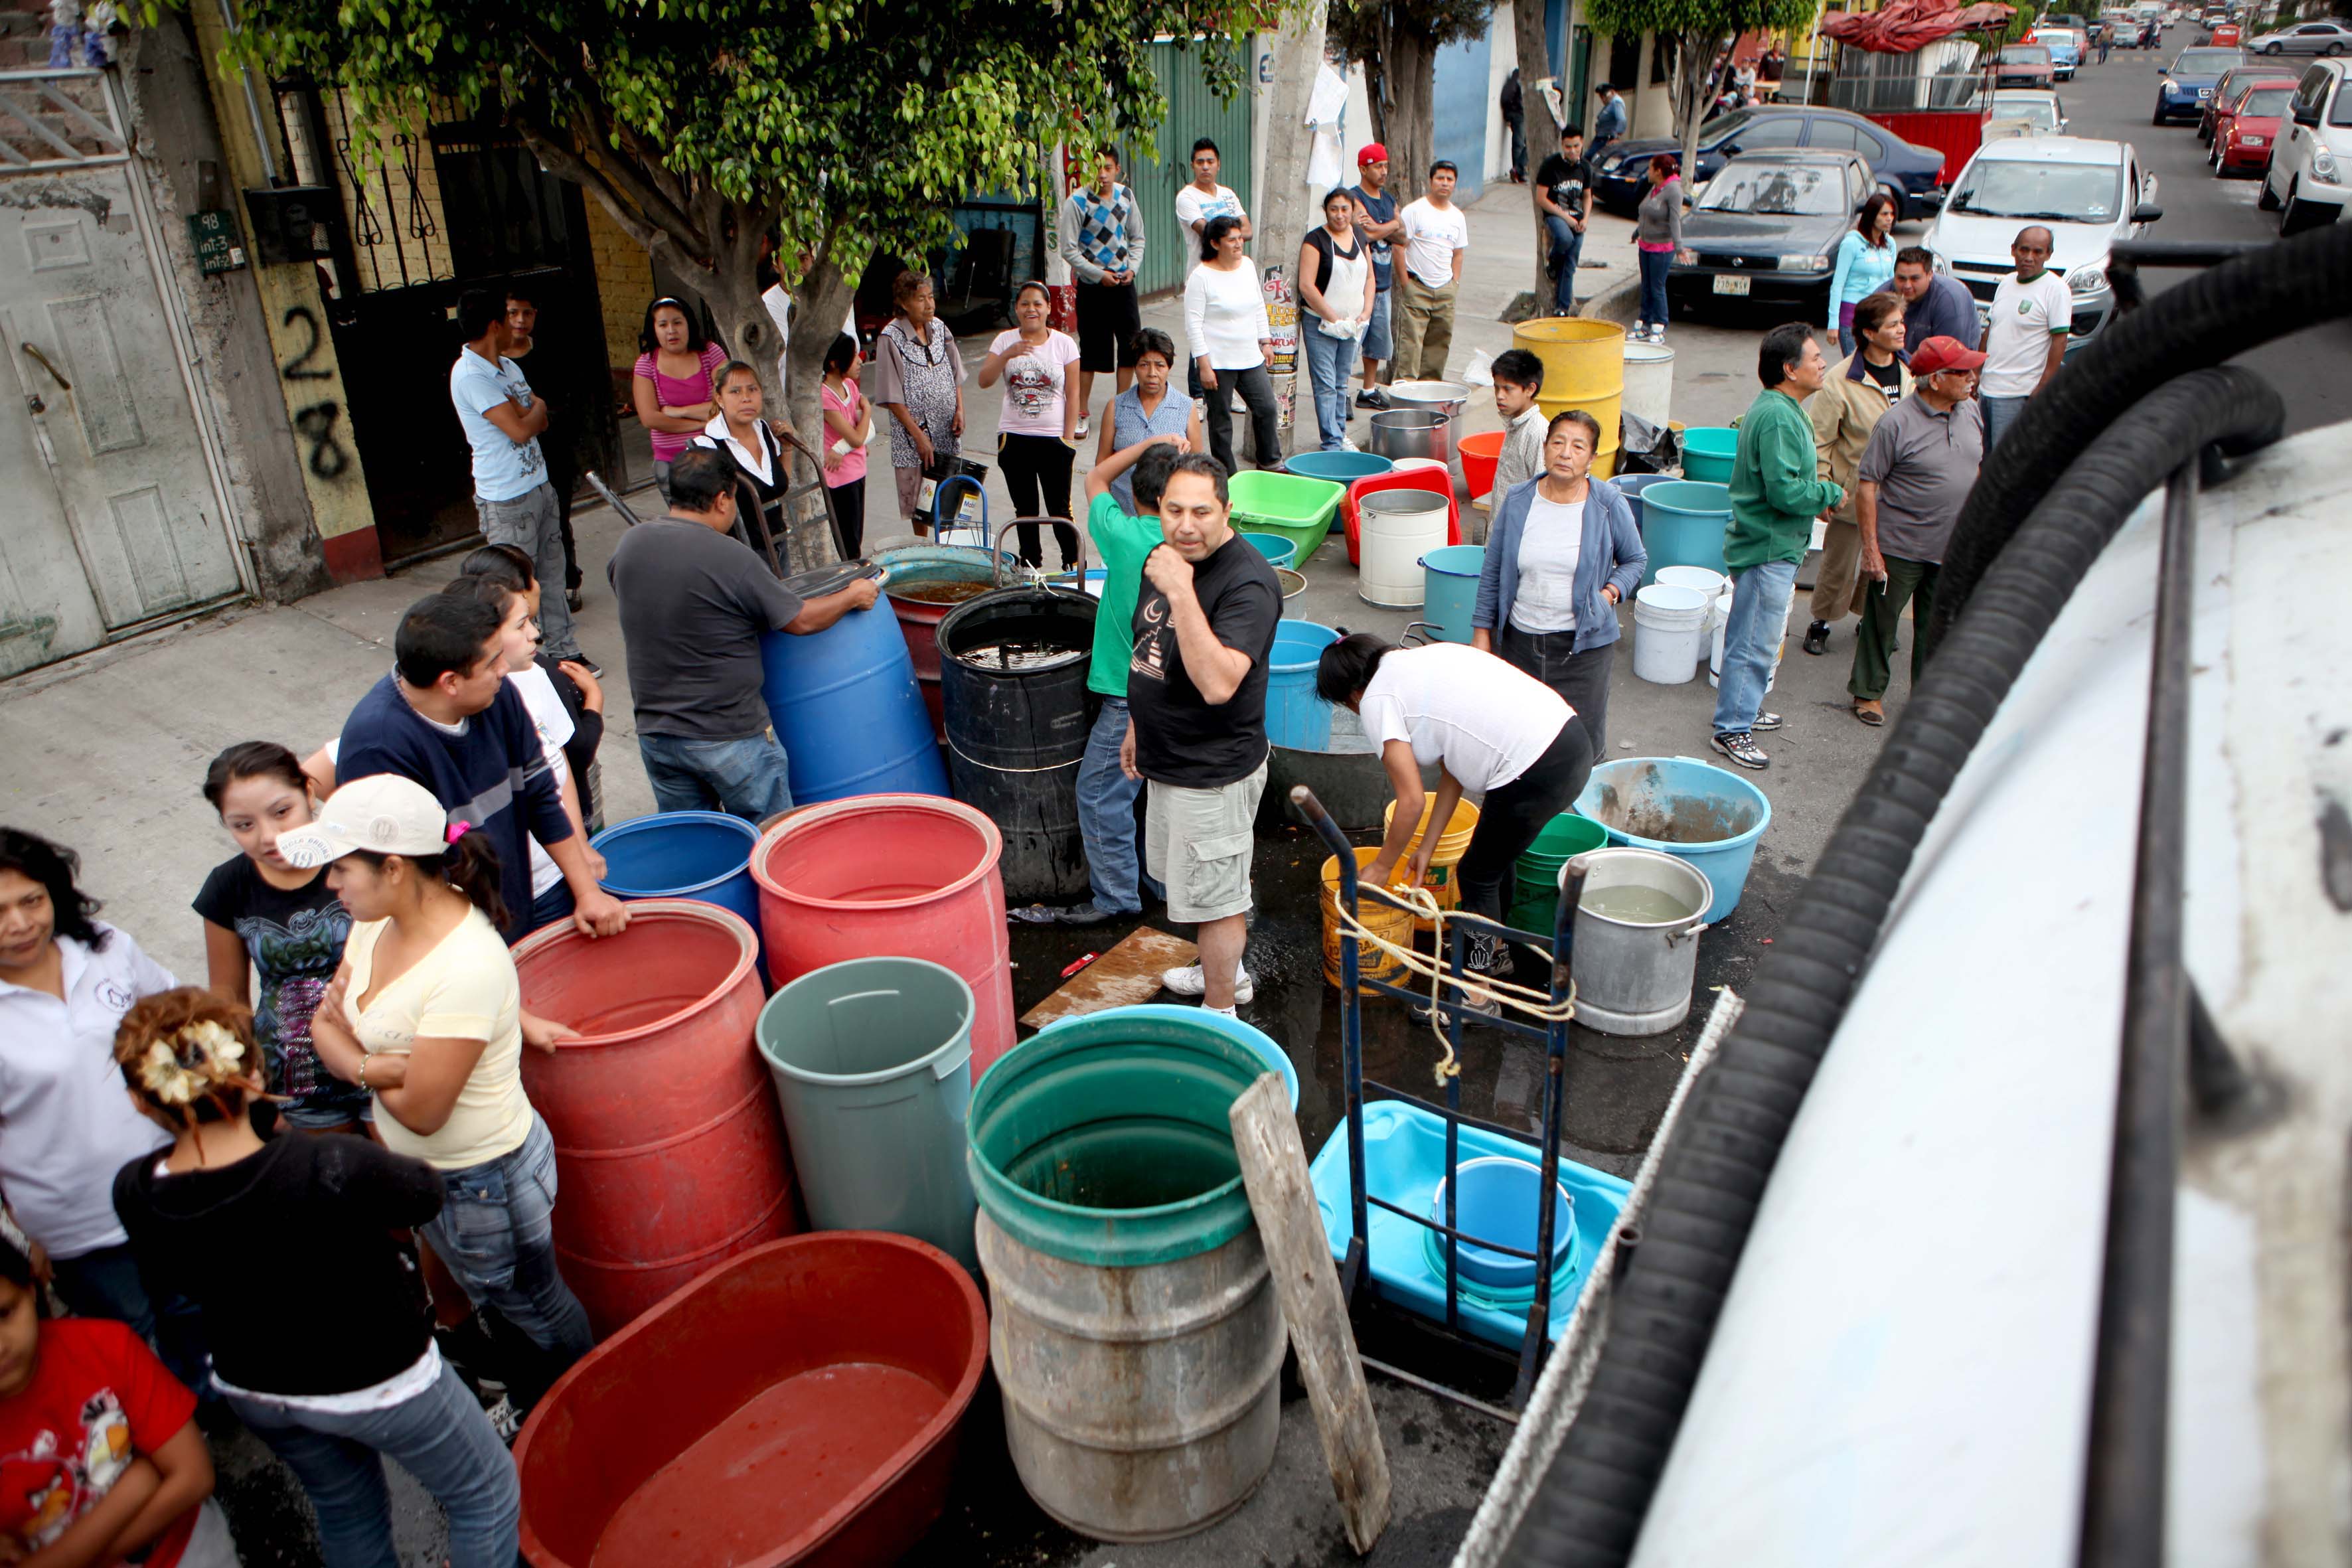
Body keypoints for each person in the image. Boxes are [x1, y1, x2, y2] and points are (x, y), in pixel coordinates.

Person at [108, 989, 520, 1568]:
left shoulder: (135, 1189)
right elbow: (423, 1193)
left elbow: (178, 1275)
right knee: (485, 1494)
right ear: (255, 1071)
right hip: (380, 1379)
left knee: (347, 1509)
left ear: (139, 1099)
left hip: (256, 1383)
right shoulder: (329, 1164)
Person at [286, 774, 593, 1414]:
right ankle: (541, 1401)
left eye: (341, 868)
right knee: (497, 1300)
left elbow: (424, 1111)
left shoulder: (465, 964)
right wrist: (389, 1066)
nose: (330, 883)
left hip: (483, 1181)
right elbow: (321, 1023)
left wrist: (358, 1065)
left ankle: (579, 1408)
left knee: (533, 1307)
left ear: (394, 867)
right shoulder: (376, 920)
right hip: (431, 1174)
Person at [0, 830, 193, 1369]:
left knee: (198, 1323)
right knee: (131, 1349)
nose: (19, 924)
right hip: (75, 1224)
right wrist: (30, 1237)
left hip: (172, 1189)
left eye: (31, 901)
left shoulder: (106, 948)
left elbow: (183, 1020)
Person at [335, 590, 625, 945]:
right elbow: (394, 876)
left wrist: (587, 892)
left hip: (522, 899)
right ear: (450, 682)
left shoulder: (499, 695)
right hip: (451, 937)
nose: (504, 669)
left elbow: (540, 798)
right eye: (491, 663)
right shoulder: (377, 747)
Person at [607, 447, 882, 819]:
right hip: (727, 735)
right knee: (770, 836)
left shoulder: (630, 545)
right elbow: (800, 620)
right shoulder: (731, 557)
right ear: (722, 500)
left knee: (692, 839)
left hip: (658, 735)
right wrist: (852, 596)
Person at [1318, 636, 1595, 988]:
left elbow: (1412, 800)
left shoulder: (1376, 699)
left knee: (1477, 876)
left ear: (1351, 697)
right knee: (1493, 862)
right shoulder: (1421, 660)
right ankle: (1494, 952)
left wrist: (1384, 865)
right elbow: (1455, 767)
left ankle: (1476, 993)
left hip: (1534, 766)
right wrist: (1426, 847)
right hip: (1569, 742)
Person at [1121, 454, 1282, 1016]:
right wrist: (1137, 722)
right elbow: (1152, 644)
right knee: (1192, 887)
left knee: (1217, 902)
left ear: (1226, 510)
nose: (1185, 526)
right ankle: (1225, 974)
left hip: (1212, 772)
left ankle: (1221, 1014)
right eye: (1173, 511)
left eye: (1200, 512)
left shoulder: (1248, 584)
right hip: (1168, 757)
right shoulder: (1167, 558)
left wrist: (1182, 590)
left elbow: (1217, 685)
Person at [1022, 441, 1184, 926]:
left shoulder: (1124, 535)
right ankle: (1161, 884)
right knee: (1157, 791)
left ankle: (1115, 898)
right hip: (1178, 693)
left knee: (1099, 795)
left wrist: (1142, 446)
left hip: (1127, 696)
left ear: (1135, 494)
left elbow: (1094, 477)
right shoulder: (1192, 543)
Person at [0, 1237, 235, 1568]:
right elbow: (164, 1475)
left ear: (31, 1289)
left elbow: (193, 1476)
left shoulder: (104, 1347)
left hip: (187, 1550)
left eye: (5, 1314)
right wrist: (139, 1484)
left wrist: (61, 1559)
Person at [195, 742, 368, 1135]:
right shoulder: (227, 887)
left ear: (308, 792)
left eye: (281, 812)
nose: (268, 836)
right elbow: (229, 1001)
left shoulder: (361, 855)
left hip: (381, 1056)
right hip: (297, 1082)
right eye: (244, 825)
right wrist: (253, 1096)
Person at [1472, 410, 1647, 752]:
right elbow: (1493, 568)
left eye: (1578, 447)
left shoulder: (1607, 503)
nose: (1566, 453)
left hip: (1583, 652)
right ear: (1545, 448)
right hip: (1520, 644)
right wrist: (1481, 633)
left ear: (1591, 459)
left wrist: (1608, 595)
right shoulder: (1519, 499)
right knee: (1521, 742)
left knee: (1581, 748)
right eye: (1558, 443)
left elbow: (1635, 560)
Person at [1715, 323, 1845, 770]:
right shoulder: (1776, 416)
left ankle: (1744, 708)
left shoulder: (1784, 408)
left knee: (1758, 637)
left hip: (1774, 545)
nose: (1823, 364)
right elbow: (1784, 492)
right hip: (1766, 547)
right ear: (1790, 370)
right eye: (1814, 358)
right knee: (1754, 641)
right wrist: (1828, 494)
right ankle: (1731, 728)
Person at [1847, 335, 1987, 726]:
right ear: (1935, 380)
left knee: (1939, 625)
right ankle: (1868, 692)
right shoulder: (1896, 423)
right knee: (1882, 622)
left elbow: (1975, 468)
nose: (1972, 378)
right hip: (1901, 547)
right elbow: (1867, 486)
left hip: (1953, 545)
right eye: (1962, 372)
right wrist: (1871, 550)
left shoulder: (1971, 411)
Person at [446, 289, 582, 665]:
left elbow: (539, 416)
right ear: (496, 325)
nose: (516, 325)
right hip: (507, 500)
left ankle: (565, 652)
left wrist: (532, 412)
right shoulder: (471, 375)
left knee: (552, 576)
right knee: (514, 588)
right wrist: (532, 412)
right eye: (509, 317)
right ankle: (524, 662)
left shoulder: (508, 367)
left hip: (540, 486)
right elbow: (522, 429)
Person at [456, 543, 605, 834]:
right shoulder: (536, 672)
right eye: (532, 578)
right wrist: (594, 700)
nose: (535, 634)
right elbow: (576, 753)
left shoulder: (528, 670)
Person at [1802, 292, 1913, 659]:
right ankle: (1821, 622)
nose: (1902, 330)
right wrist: (1824, 488)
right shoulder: (1840, 380)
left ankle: (1870, 619)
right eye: (1893, 325)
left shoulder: (1910, 372)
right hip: (1851, 494)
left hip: (1896, 496)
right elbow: (1820, 441)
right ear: (1869, 333)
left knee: (1882, 562)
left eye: (1901, 322)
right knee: (1840, 563)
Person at [980, 280, 1084, 570]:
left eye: (1038, 304)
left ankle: (1073, 565)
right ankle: (1030, 567)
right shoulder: (1004, 340)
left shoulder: (1064, 344)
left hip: (1054, 439)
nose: (1031, 309)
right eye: (1025, 304)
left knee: (1059, 508)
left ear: (1049, 308)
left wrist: (1067, 439)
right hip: (1014, 439)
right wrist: (1007, 355)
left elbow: (1073, 392)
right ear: (1016, 309)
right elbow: (984, 380)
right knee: (1025, 509)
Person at [504, 285, 583, 615]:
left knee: (558, 520)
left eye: (527, 313)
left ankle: (569, 581)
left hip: (553, 451)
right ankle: (529, 590)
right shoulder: (494, 364)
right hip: (515, 458)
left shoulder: (548, 354)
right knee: (522, 527)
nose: (520, 320)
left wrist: (537, 417)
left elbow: (562, 404)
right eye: (513, 313)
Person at [869, 270, 967, 534]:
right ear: (904, 303)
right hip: (914, 436)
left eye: (931, 297)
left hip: (946, 429)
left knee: (948, 494)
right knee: (921, 501)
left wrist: (960, 409)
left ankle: (945, 544)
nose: (929, 304)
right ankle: (924, 545)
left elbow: (955, 373)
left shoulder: (940, 328)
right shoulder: (891, 337)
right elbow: (892, 397)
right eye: (921, 299)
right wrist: (919, 437)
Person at [1058, 149, 1147, 431]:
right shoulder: (1077, 202)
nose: (1102, 174)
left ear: (1118, 169)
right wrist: (1098, 275)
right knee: (1091, 351)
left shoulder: (1126, 196)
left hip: (1124, 285)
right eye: (1096, 168)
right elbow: (1068, 250)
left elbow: (1138, 238)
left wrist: (1133, 268)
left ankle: (1121, 409)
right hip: (1092, 288)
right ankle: (1081, 410)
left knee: (1131, 347)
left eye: (1108, 168)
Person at [1184, 216, 1281, 475]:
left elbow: (1258, 305)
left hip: (1250, 357)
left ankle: (1270, 461)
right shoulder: (1201, 277)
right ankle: (1227, 475)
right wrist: (1204, 365)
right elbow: (1193, 325)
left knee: (1266, 408)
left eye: (1240, 239)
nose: (1239, 244)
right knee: (1221, 421)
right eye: (1232, 240)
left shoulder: (1247, 266)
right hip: (1218, 362)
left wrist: (1266, 341)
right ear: (1215, 244)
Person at [1978, 225, 2071, 452]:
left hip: (2018, 394)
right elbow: (1991, 328)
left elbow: (2060, 341)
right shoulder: (2006, 283)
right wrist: (1976, 371)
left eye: (2038, 252)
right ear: (2013, 250)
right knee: (1982, 457)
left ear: (2048, 254)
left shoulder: (2056, 289)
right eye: (2024, 250)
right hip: (1987, 389)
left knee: (2006, 459)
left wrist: (2043, 387)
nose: (2029, 257)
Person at [691, 360, 793, 559]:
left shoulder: (764, 430)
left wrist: (787, 448)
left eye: (752, 389)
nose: (746, 398)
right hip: (741, 556)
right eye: (735, 391)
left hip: (779, 545)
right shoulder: (708, 447)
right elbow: (705, 514)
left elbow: (778, 487)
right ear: (720, 399)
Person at [1298, 189, 1375, 453]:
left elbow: (1370, 278)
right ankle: (1331, 442)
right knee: (1326, 384)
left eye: (1344, 209)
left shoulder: (1360, 236)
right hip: (1320, 325)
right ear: (1326, 211)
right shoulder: (1315, 240)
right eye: (1334, 209)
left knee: (1342, 382)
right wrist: (1333, 318)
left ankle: (1341, 434)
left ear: (1352, 211)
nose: (1339, 215)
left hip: (1353, 326)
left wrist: (1366, 311)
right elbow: (1306, 286)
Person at [630, 297, 726, 503]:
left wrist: (678, 411)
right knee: (688, 521)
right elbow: (650, 418)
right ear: (654, 329)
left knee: (726, 518)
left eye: (677, 322)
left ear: (688, 323)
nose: (671, 331)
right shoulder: (646, 364)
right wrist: (702, 423)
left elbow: (727, 402)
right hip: (671, 464)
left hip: (716, 457)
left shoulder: (710, 352)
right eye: (663, 325)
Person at [1097, 329, 1202, 515]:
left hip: (1167, 518)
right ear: (1135, 367)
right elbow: (1102, 466)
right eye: (1144, 365)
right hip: (1122, 515)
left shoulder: (1186, 407)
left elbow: (1197, 469)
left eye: (1160, 365)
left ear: (1169, 367)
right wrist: (1107, 513)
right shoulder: (1117, 406)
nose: (1152, 373)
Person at [1392, 161, 1470, 381]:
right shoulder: (1414, 211)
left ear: (1455, 184)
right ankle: (1405, 390)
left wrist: (1454, 284)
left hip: (1445, 290)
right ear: (1430, 181)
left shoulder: (1458, 217)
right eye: (1440, 178)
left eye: (1450, 179)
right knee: (1411, 345)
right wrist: (1405, 284)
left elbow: (1458, 254)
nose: (1445, 183)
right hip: (1417, 287)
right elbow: (1399, 248)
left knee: (1439, 344)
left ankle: (1430, 390)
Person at [1348, 144, 1403, 410]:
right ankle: (1341, 395)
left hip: (1383, 284)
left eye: (1386, 166)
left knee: (1377, 342)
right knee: (1350, 342)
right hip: (1358, 285)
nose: (1384, 171)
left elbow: (1404, 237)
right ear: (1363, 169)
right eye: (1378, 166)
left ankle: (1368, 391)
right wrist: (1393, 225)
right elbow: (1365, 234)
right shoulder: (1353, 198)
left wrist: (1388, 227)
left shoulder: (1389, 200)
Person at [1872, 246, 1979, 360]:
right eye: (1901, 279)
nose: (1907, 286)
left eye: (1915, 279)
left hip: (1949, 361)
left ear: (1930, 275)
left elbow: (1951, 358)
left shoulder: (1949, 300)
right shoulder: (1882, 296)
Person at [819, 333, 873, 560]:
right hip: (840, 477)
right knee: (848, 543)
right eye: (853, 357)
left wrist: (847, 444)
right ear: (834, 363)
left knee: (856, 535)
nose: (860, 361)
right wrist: (868, 410)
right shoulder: (825, 397)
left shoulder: (850, 385)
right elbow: (857, 438)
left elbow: (866, 431)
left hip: (858, 469)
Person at [1830, 193, 1899, 356]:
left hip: (1879, 313)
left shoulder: (1890, 243)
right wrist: (1833, 324)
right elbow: (1838, 284)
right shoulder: (1851, 243)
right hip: (1852, 314)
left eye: (1892, 214)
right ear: (1872, 215)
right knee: (1856, 364)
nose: (1890, 218)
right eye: (1884, 214)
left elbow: (1892, 281)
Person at [1534, 124, 1593, 317]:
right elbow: (1541, 198)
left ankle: (1562, 308)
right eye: (1568, 147)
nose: (1572, 151)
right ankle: (1552, 261)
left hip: (1578, 219)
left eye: (1576, 146)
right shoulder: (1550, 165)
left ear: (1582, 144)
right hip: (1556, 215)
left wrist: (1585, 219)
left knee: (1570, 264)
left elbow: (1587, 197)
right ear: (1562, 145)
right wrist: (1566, 218)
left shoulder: (1585, 167)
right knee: (1565, 238)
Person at [1487, 349, 1550, 503]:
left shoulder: (1537, 432)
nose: (1499, 396)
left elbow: (1543, 490)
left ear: (1530, 390)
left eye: (1508, 389)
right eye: (1497, 388)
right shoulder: (1514, 423)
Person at [1633, 154, 1684, 345]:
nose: (1648, 172)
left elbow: (1675, 220)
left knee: (1657, 287)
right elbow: (1646, 212)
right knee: (1646, 286)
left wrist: (1679, 247)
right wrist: (1638, 232)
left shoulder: (1674, 191)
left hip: (1662, 248)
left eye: (1650, 168)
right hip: (1645, 244)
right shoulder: (1656, 188)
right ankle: (1645, 323)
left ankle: (1661, 324)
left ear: (1659, 172)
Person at [1174, 137, 1249, 258]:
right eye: (1200, 162)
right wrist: (1236, 234)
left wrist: (1224, 236)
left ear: (1218, 165)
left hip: (1233, 267)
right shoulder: (1187, 197)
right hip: (1204, 267)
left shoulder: (1228, 194)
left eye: (1210, 162)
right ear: (1192, 166)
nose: (1205, 167)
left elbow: (1248, 231)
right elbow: (1207, 232)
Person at [1591, 82, 1628, 161]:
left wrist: (1617, 138)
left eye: (1605, 96)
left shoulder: (1616, 103)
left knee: (1590, 158)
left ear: (1612, 92)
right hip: (1600, 139)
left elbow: (1622, 120)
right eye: (1601, 96)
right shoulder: (1610, 103)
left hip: (1606, 139)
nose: (1603, 99)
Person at [1501, 68, 1527, 180]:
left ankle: (1518, 170)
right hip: (1520, 115)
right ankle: (1518, 171)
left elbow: (1505, 99)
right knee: (1521, 144)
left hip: (1513, 115)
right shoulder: (1521, 83)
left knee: (1520, 144)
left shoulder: (1513, 81)